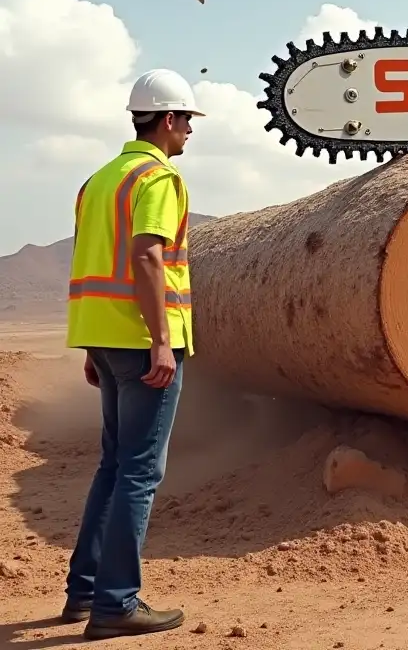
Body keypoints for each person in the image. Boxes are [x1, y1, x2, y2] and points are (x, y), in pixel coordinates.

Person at [61, 69, 203, 639]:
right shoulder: (157, 178)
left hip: (103, 334)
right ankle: (116, 604)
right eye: (188, 121)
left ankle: (86, 592)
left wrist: (94, 345)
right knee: (141, 471)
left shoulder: (99, 180)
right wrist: (161, 340)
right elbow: (146, 255)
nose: (190, 132)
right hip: (143, 340)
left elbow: (89, 256)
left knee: (114, 464)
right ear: (167, 120)